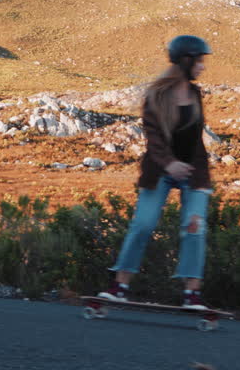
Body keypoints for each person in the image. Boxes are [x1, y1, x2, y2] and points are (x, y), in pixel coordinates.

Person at [99, 34, 215, 309]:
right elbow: (153, 139)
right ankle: (119, 286)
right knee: (143, 225)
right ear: (184, 61)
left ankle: (192, 294)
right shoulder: (157, 95)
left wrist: (201, 178)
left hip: (193, 172)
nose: (202, 67)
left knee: (194, 229)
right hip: (159, 171)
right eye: (198, 61)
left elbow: (196, 138)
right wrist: (170, 164)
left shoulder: (196, 94)